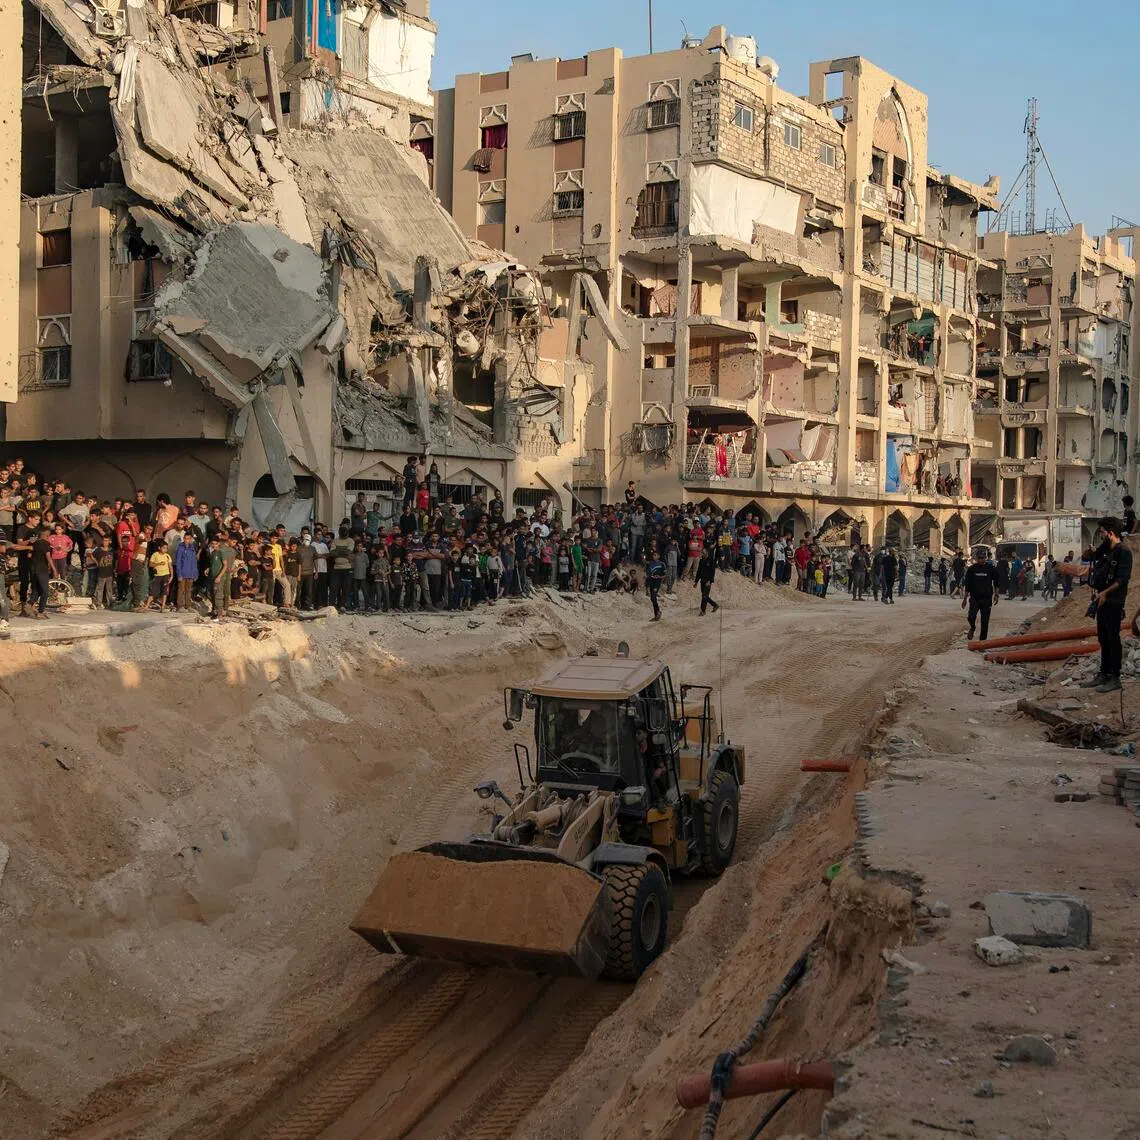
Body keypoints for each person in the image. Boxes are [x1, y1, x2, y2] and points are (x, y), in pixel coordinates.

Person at [1081, 517, 1132, 694]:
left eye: (1102, 531)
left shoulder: (1123, 552)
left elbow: (1122, 579)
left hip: (1113, 600)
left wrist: (1105, 593)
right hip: (1101, 598)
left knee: (1112, 637)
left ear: (1111, 532)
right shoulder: (1106, 549)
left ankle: (1114, 677)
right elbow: (1091, 557)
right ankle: (1103, 673)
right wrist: (1089, 553)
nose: (1101, 534)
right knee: (1103, 637)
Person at [962, 548, 999, 641]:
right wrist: (965, 599)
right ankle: (972, 627)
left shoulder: (991, 569)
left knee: (985, 621)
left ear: (986, 558)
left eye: (982, 558)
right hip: (974, 598)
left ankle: (982, 642)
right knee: (971, 616)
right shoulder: (971, 570)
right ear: (976, 558)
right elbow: (967, 585)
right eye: (979, 558)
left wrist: (996, 595)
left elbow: (996, 582)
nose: (980, 560)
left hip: (986, 599)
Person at [697, 545, 720, 615]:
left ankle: (703, 611)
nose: (702, 553)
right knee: (704, 596)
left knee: (704, 596)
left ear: (707, 553)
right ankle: (715, 605)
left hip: (708, 581)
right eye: (702, 552)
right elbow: (699, 571)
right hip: (702, 581)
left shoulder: (711, 560)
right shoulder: (701, 561)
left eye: (703, 552)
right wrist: (696, 581)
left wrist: (710, 581)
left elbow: (712, 572)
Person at [645, 546, 666, 622]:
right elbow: (648, 575)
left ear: (658, 556)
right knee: (652, 598)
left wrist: (660, 577)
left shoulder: (662, 564)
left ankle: (658, 612)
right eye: (653, 555)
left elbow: (665, 574)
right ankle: (656, 615)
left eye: (655, 555)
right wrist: (646, 588)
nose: (654, 556)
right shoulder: (650, 564)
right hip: (651, 581)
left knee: (653, 597)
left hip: (657, 582)